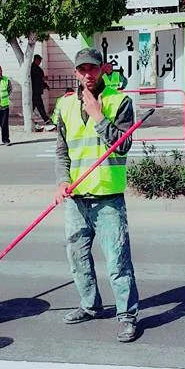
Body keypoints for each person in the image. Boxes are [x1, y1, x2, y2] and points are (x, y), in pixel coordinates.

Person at [54, 48, 139, 343]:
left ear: (103, 69)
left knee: (117, 261)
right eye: (82, 70)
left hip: (108, 197)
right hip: (76, 197)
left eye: (92, 68)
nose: (87, 74)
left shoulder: (120, 101)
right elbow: (62, 150)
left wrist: (98, 116)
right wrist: (63, 180)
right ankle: (90, 306)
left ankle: (127, 316)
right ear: (76, 72)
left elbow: (123, 145)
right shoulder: (64, 105)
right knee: (77, 257)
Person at [31, 55, 56, 131]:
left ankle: (32, 120)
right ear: (36, 60)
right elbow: (37, 79)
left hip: (37, 90)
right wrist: (43, 80)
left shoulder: (36, 68)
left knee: (34, 107)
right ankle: (46, 120)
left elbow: (40, 79)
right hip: (35, 91)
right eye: (39, 60)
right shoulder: (33, 68)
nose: (40, 62)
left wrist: (45, 84)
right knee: (40, 106)